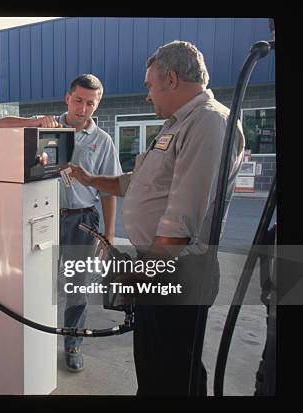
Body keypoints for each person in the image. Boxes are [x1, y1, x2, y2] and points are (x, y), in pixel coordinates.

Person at [65, 41, 245, 395]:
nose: (148, 95)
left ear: (172, 79)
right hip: (160, 270)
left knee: (173, 373)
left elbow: (181, 221)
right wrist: (91, 179)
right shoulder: (178, 124)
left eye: (150, 85)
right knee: (154, 368)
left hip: (177, 275)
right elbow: (140, 183)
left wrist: (140, 273)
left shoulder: (208, 123)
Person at [0, 74, 122, 372]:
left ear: (97, 104)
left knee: (76, 287)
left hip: (82, 221)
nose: (83, 109)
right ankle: (35, 342)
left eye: (90, 103)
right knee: (38, 281)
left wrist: (110, 233)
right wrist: (35, 121)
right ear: (67, 98)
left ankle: (73, 344)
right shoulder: (45, 126)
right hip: (42, 218)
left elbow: (109, 190)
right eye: (78, 101)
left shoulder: (102, 141)